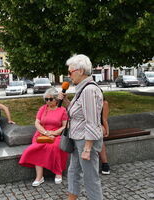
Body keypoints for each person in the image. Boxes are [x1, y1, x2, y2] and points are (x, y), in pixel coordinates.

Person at [58, 54, 103, 200]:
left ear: (81, 71)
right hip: (77, 138)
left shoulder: (89, 90)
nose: (68, 76)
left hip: (85, 140)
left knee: (90, 178)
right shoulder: (82, 89)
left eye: (70, 72)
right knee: (73, 172)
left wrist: (88, 148)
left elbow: (92, 121)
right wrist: (65, 100)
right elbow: (77, 112)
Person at [19, 88, 68, 186]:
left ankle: (58, 172)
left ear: (56, 99)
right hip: (41, 134)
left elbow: (65, 126)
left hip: (56, 135)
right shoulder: (43, 108)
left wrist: (53, 133)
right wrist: (45, 132)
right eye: (46, 99)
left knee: (54, 147)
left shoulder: (62, 110)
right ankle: (39, 176)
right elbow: (37, 123)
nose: (48, 101)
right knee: (37, 148)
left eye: (50, 99)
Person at [99, 99, 110, 175]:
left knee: (99, 137)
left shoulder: (104, 103)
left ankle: (104, 163)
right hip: (86, 125)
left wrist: (107, 130)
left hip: (99, 125)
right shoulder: (85, 100)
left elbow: (104, 119)